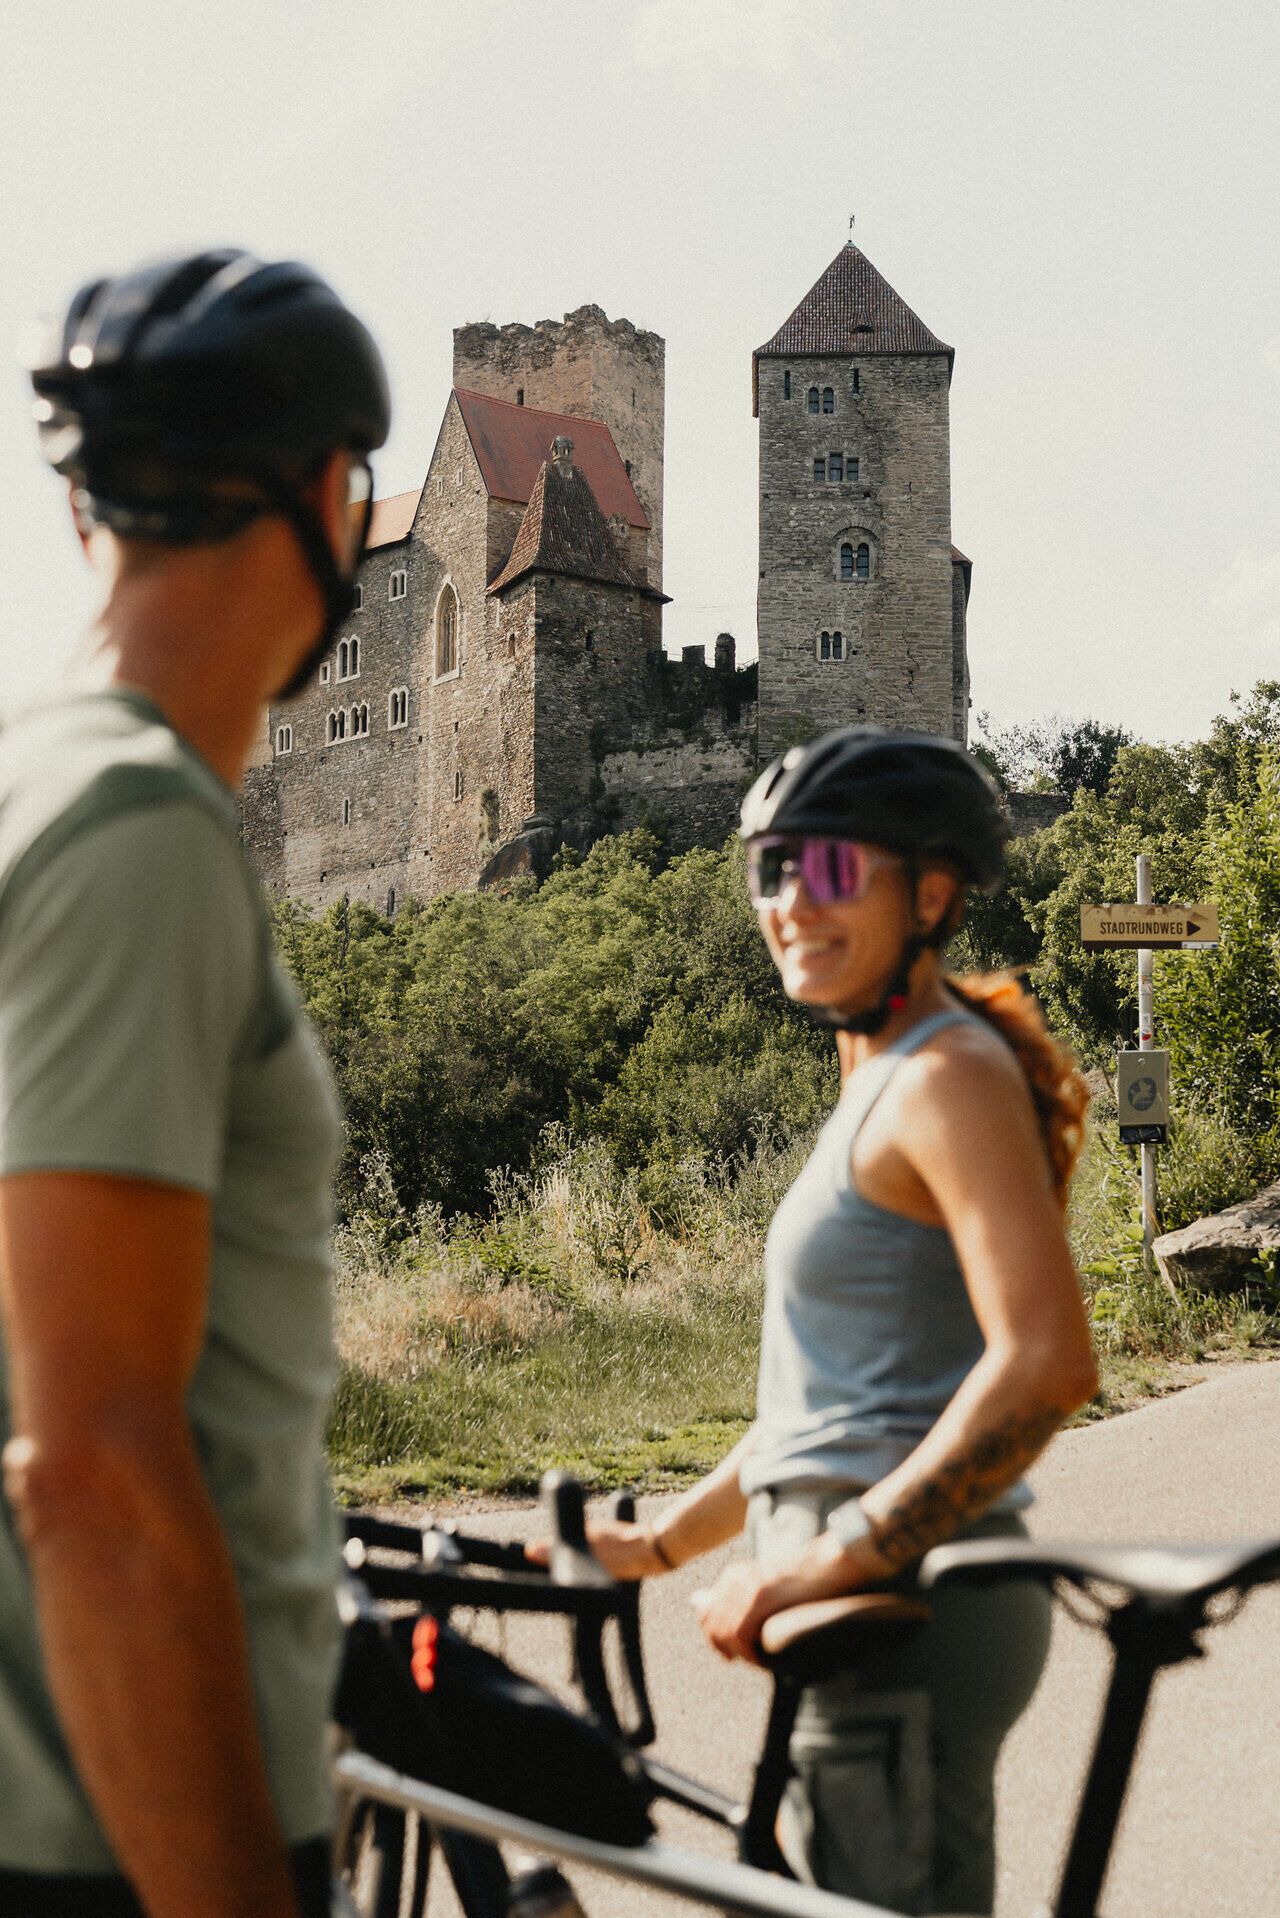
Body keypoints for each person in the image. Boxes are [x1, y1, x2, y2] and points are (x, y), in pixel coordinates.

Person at [537, 728, 1098, 1916]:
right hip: (864, 1602)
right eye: (771, 870)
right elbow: (820, 1413)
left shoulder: (942, 1077)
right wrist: (656, 1549)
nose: (792, 901)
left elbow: (1045, 1363)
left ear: (930, 893)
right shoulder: (881, 1080)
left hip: (895, 1610)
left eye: (832, 870)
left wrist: (825, 1560)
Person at [0, 250, 389, 1917]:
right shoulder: (139, 830)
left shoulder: (37, 785)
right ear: (329, 496)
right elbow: (89, 1459)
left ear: (94, 510)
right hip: (122, 1829)